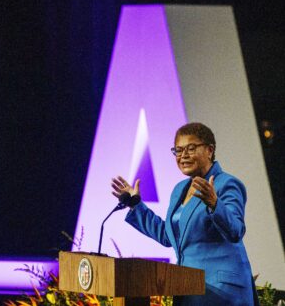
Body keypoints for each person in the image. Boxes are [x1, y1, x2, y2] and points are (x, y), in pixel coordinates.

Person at [111, 122, 259, 305]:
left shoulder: (226, 184)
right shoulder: (179, 189)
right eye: (178, 150)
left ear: (209, 150)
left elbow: (236, 230)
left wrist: (215, 204)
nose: (183, 156)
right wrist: (135, 205)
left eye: (191, 148)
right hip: (189, 287)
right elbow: (169, 236)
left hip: (222, 291)